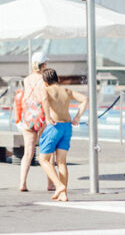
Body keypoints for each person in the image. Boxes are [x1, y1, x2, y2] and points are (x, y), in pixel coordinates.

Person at [37, 67, 88, 202]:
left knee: (43, 159)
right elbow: (84, 99)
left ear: (45, 82)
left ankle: (59, 186)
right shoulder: (66, 90)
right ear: (58, 79)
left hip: (54, 127)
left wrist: (48, 117)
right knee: (61, 162)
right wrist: (77, 117)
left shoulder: (46, 90)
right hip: (67, 127)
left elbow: (45, 100)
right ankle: (63, 194)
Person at [14, 52, 52, 192]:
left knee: (28, 152)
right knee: (48, 151)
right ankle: (50, 183)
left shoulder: (26, 79)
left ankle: (22, 183)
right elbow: (46, 99)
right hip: (42, 115)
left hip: (28, 115)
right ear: (44, 65)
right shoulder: (45, 79)